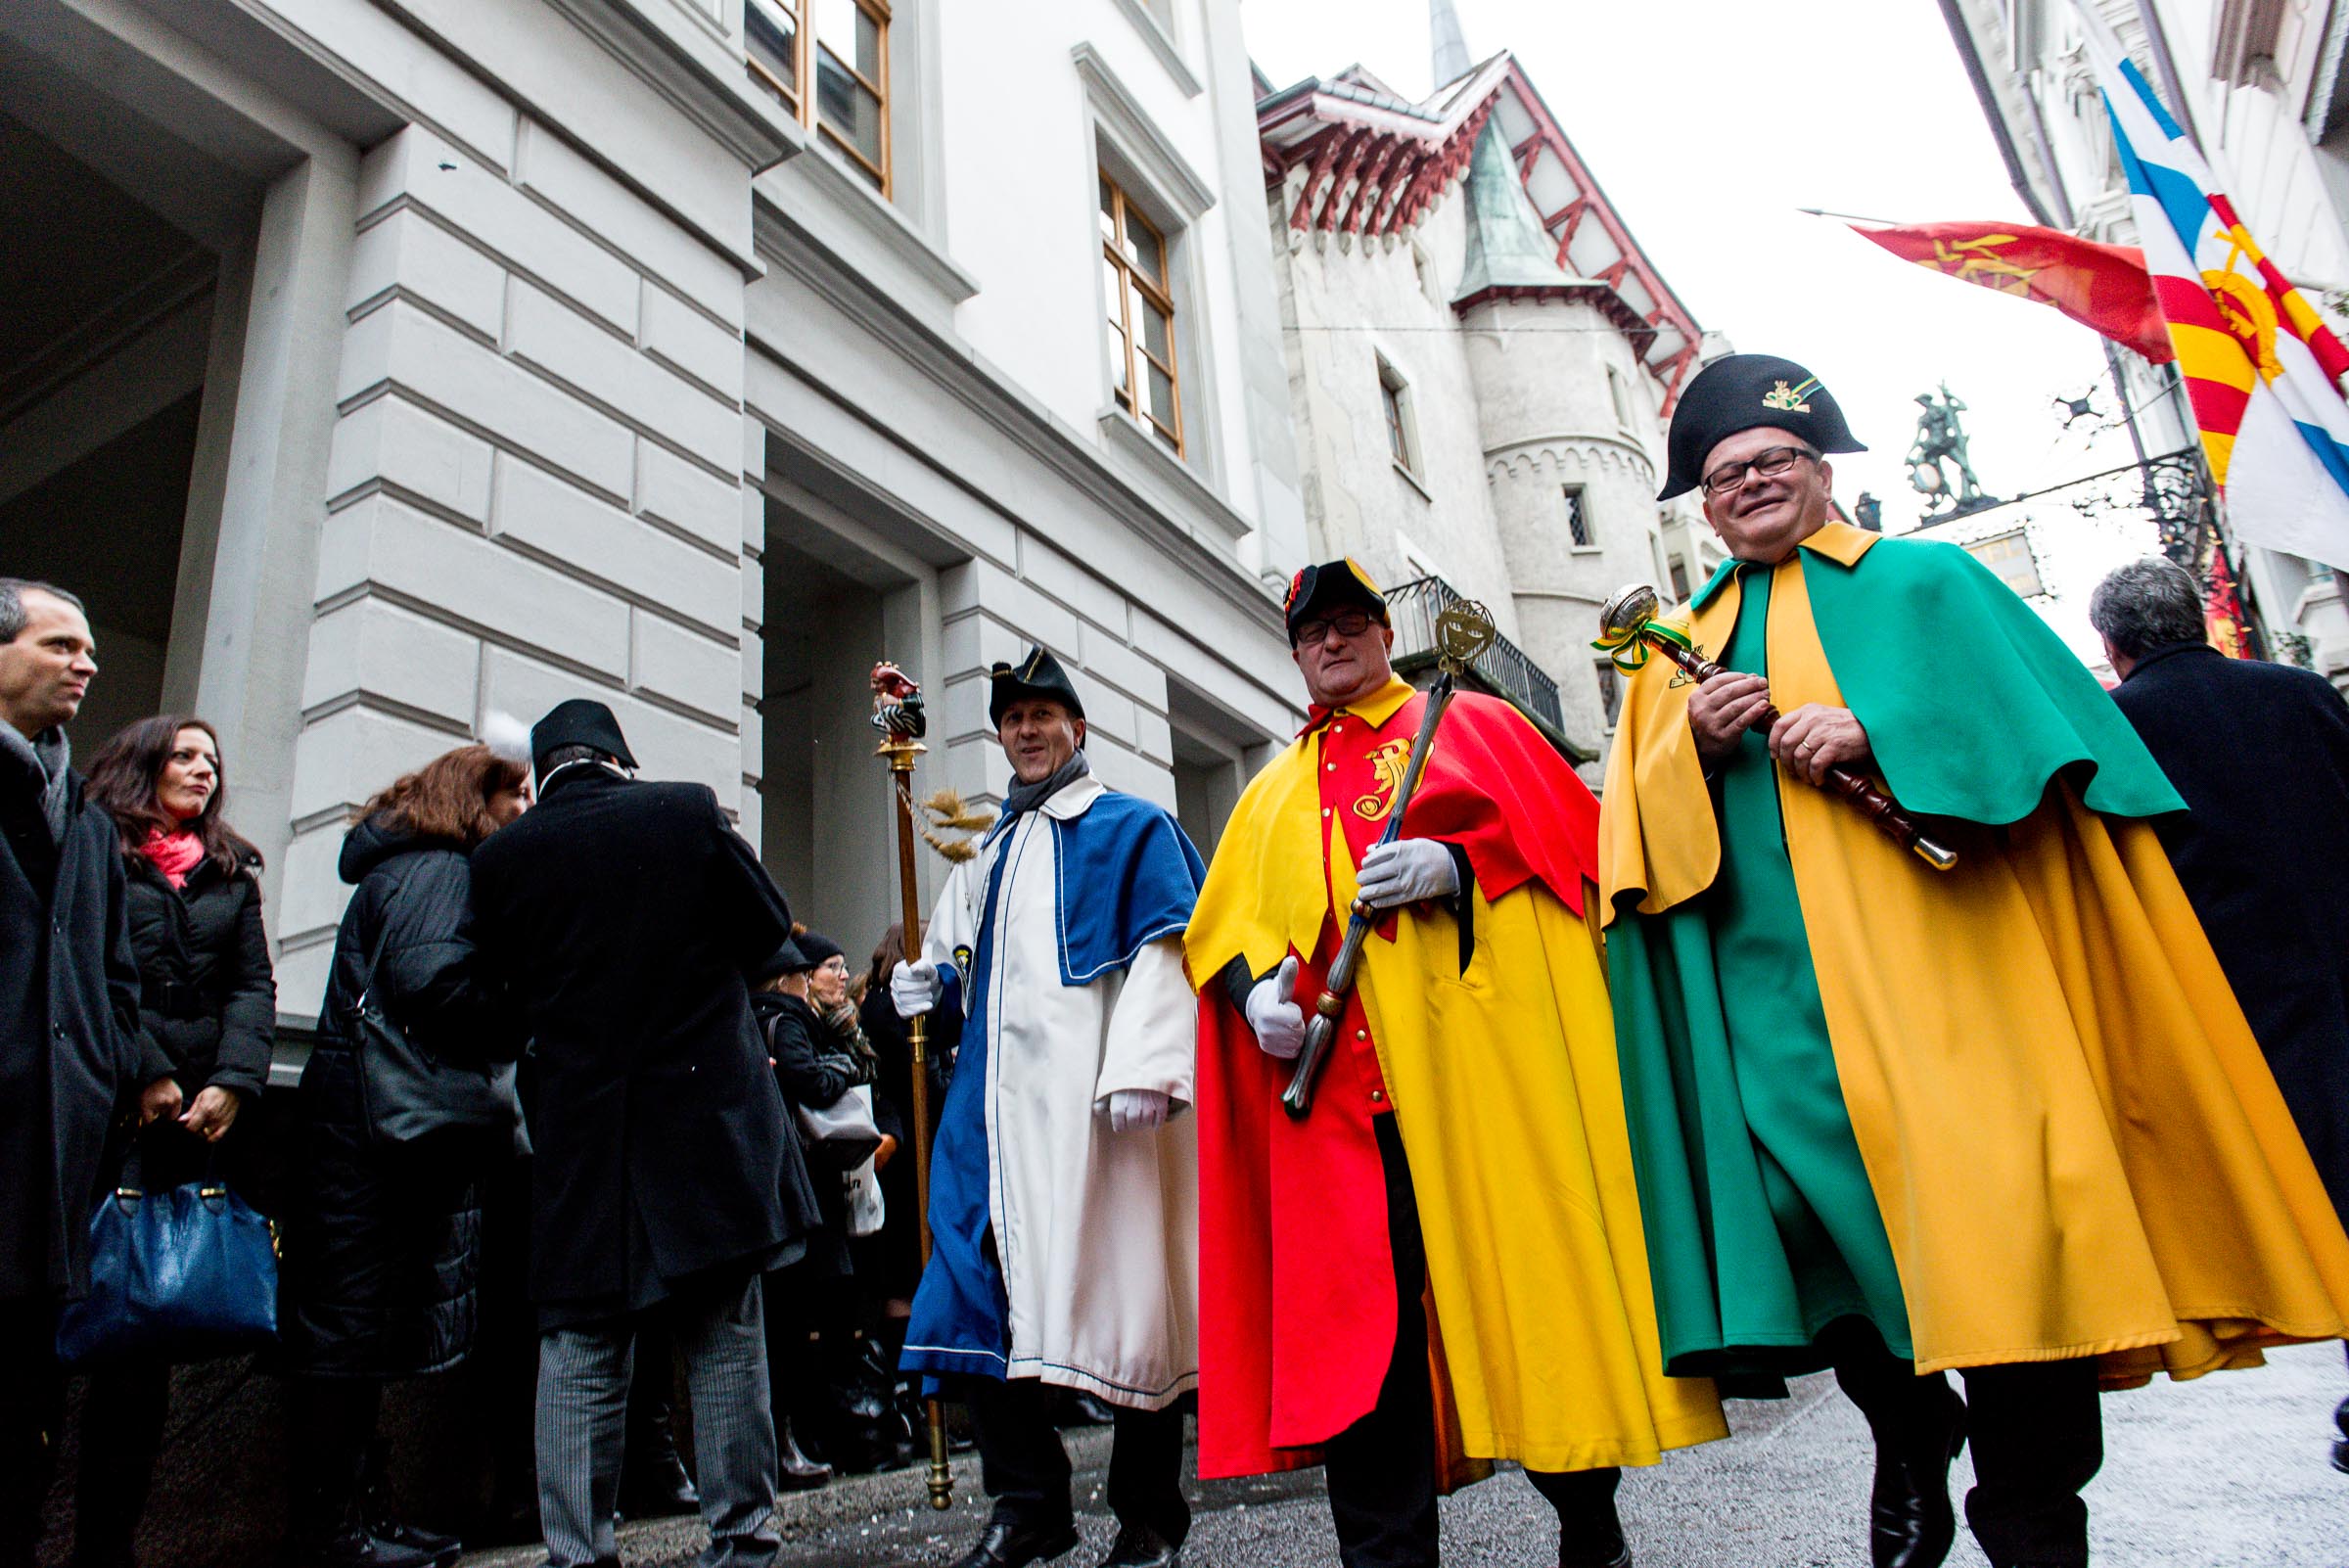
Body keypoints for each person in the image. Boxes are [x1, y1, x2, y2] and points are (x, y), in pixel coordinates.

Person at [1600, 352, 2349, 1568]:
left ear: (1823, 470)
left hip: (1967, 1004)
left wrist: (1883, 733)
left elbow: (2054, 739)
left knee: (2012, 1259)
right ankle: (1907, 1427)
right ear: (1701, 500)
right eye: (1724, 475)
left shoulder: (1931, 581)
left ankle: (2032, 1520)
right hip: (1780, 1027)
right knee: (1814, 1238)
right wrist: (1682, 745)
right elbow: (1632, 849)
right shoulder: (1677, 650)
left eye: (1775, 462)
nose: (1750, 485)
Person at [1186, 561, 1725, 1568]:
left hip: (1480, 1087)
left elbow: (1578, 848)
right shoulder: (1271, 793)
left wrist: (1464, 865)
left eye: (1351, 624)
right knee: (1367, 1354)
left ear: (1385, 635)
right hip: (1347, 1120)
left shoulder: (1475, 728)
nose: (1333, 643)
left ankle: (1587, 1521)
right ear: (1297, 654)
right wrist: (1257, 993)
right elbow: (1224, 931)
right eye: (1314, 633)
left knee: (1526, 1295)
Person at [468, 699, 805, 1568]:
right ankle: (742, 1539)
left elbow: (496, 998)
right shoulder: (683, 810)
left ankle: (579, 1553)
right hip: (705, 1117)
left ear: (542, 776)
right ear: (620, 758)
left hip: (582, 1132)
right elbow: (770, 934)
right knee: (723, 1334)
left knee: (581, 1344)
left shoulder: (502, 858)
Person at [892, 647, 1204, 1568]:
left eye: (1042, 716)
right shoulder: (984, 857)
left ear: (1078, 729)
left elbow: (1168, 951)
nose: (1026, 732)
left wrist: (1147, 1065)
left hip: (1098, 1117)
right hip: (987, 1130)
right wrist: (917, 992)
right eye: (1012, 721)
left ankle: (1148, 1514)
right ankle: (1029, 1504)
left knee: (1126, 1299)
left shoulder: (1132, 829)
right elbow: (956, 976)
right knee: (972, 1296)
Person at [2091, 555, 2349, 1468]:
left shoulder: (2116, 725)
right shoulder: (2303, 691)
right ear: (2199, 620)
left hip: (2238, 987)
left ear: (2111, 647)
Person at [281, 739, 531, 1568]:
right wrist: (522, 1007)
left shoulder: (408, 865)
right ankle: (336, 1530)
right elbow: (437, 986)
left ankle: (355, 1518)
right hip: (378, 1138)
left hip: (362, 1131)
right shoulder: (439, 869)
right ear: (474, 801)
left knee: (350, 1335)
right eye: (512, 797)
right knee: (346, 1339)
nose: (522, 811)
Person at [73, 715, 277, 1568]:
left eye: (213, 760)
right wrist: (146, 1070)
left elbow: (252, 985)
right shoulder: (98, 852)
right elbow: (92, 967)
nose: (204, 769)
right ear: (145, 763)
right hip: (110, 1118)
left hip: (194, 1128)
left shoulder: (232, 871)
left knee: (144, 1356)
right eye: (186, 755)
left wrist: (232, 1081)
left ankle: (108, 1543)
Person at [0, 579, 166, 1568]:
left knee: (27, 1411)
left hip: (57, 1162)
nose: (87, 663)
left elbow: (114, 973)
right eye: (62, 644)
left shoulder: (91, 823)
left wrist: (105, 1075)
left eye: (92, 647)